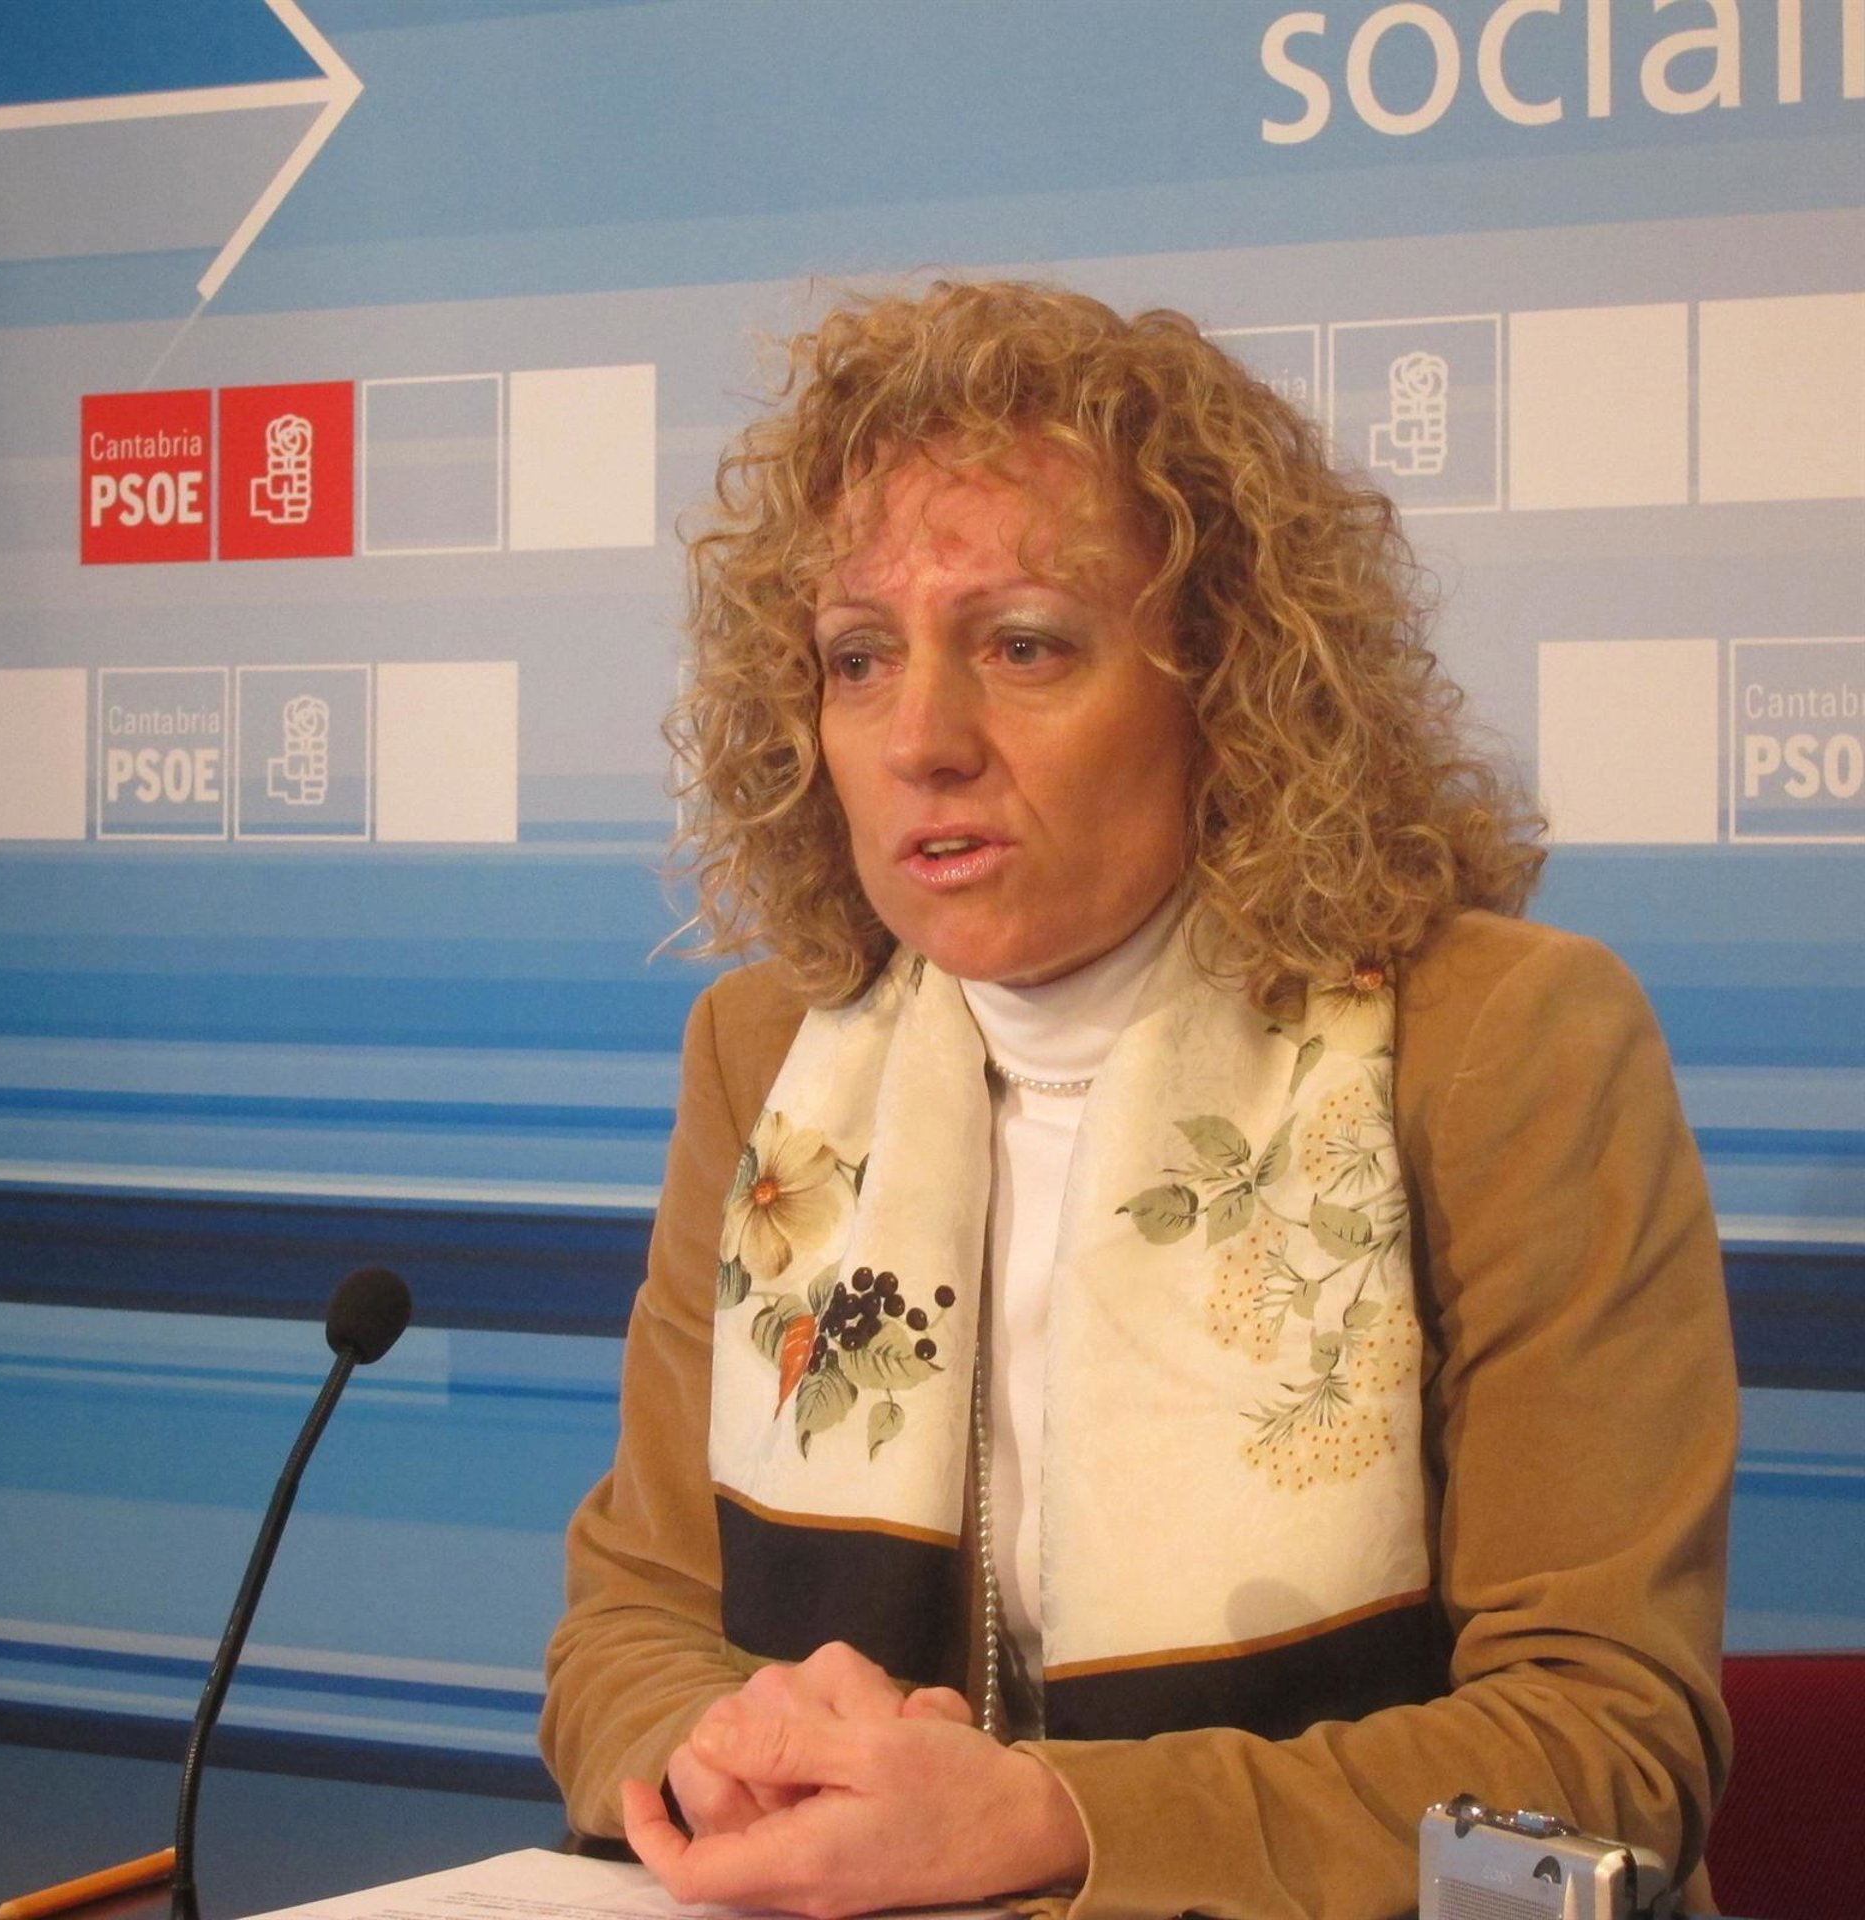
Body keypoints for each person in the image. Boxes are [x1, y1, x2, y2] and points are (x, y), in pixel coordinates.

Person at [540, 281, 1736, 1920]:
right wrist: (722, 1746)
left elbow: (1601, 1745)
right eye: (859, 658)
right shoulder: (767, 1054)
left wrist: (1052, 1821)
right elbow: (628, 1626)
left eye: (1024, 646)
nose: (923, 739)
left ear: (1229, 687)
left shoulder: (1504, 1045)